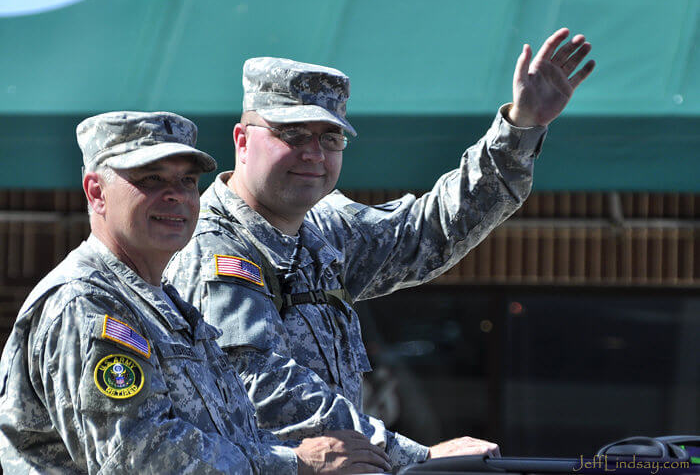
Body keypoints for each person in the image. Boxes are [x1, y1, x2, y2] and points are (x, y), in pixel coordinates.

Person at [166, 28, 595, 467]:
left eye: (330, 138)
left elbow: (428, 232)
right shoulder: (213, 247)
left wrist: (521, 127)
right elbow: (261, 384)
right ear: (242, 139)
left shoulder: (322, 230)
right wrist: (413, 456)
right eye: (293, 134)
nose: (314, 153)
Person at [0, 111, 391, 474]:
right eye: (150, 179)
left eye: (187, 181)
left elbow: (231, 439)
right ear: (97, 193)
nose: (176, 195)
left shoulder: (162, 305)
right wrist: (297, 464)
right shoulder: (86, 306)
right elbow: (142, 457)